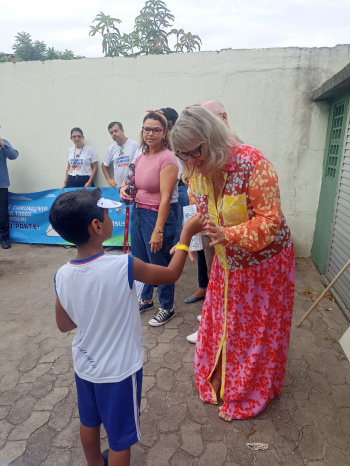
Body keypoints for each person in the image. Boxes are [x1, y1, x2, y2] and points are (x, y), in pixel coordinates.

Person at [49, 187, 206, 466]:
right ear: (97, 226)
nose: (110, 218)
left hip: (85, 365)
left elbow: (64, 325)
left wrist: (89, 309)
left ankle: (95, 463)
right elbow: (171, 274)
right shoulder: (124, 265)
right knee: (120, 439)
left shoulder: (62, 275)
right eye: (107, 215)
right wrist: (185, 237)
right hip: (119, 371)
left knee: (89, 421)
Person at [170, 106, 295, 422]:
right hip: (227, 262)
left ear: (211, 138)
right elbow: (202, 211)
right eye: (182, 154)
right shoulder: (194, 171)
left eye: (195, 150)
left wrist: (228, 233)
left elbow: (270, 223)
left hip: (264, 263)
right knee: (225, 321)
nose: (191, 160)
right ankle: (222, 375)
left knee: (253, 330)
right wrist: (189, 239)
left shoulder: (253, 163)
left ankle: (247, 388)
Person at [120, 111, 178, 326]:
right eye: (147, 129)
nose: (150, 134)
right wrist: (123, 189)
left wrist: (158, 230)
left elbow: (165, 199)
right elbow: (130, 181)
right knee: (142, 261)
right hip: (138, 212)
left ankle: (167, 306)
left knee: (159, 263)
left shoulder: (168, 159)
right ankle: (146, 299)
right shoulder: (140, 156)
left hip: (156, 215)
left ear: (165, 132)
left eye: (156, 130)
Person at [185, 100, 228, 342]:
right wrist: (190, 239)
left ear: (221, 119)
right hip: (210, 232)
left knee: (228, 288)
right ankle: (212, 322)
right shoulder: (197, 161)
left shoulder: (243, 157)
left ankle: (218, 326)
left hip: (235, 242)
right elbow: (194, 200)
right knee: (215, 281)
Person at [102, 121, 139, 188]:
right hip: (118, 187)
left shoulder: (134, 145)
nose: (114, 134)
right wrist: (109, 179)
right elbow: (104, 165)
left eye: (116, 131)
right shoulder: (111, 148)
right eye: (111, 133)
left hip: (133, 186)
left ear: (122, 130)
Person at [0, 136, 19, 249]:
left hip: (1, 184)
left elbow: (14, 155)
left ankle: (5, 238)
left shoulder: (3, 143)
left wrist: (2, 144)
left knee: (2, 214)